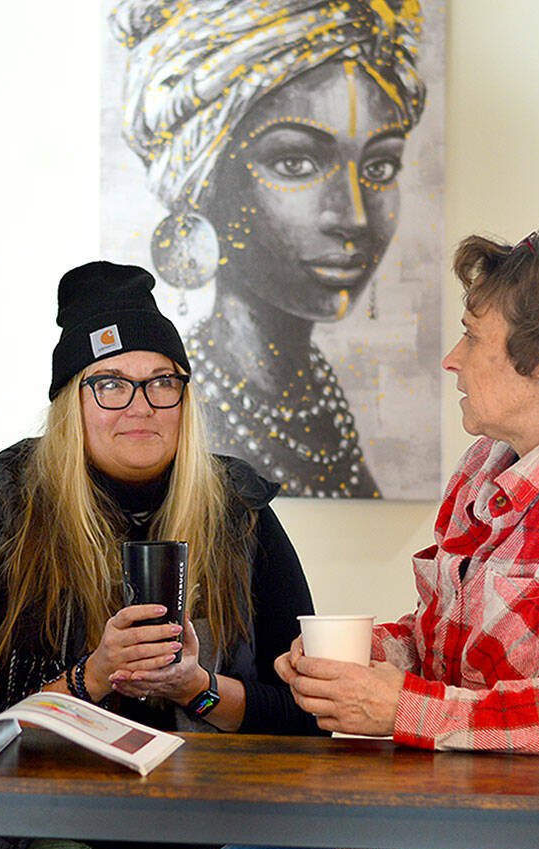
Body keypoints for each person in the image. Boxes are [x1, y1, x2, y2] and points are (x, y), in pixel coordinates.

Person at [200, 227, 539, 849]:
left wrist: (398, 708)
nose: (452, 358)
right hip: (450, 808)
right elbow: (446, 647)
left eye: (473, 335)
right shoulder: (486, 464)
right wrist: (368, 658)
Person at [0, 261, 322, 849]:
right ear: (72, 403)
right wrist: (93, 677)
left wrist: (199, 690)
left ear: (183, 397)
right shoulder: (14, 527)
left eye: (161, 382)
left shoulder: (241, 515)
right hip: (62, 823)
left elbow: (305, 717)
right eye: (110, 384)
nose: (141, 406)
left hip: (221, 824)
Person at [111, 0, 433, 499]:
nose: (353, 216)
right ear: (204, 179)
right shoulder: (173, 412)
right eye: (296, 162)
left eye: (379, 167)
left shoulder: (317, 399)